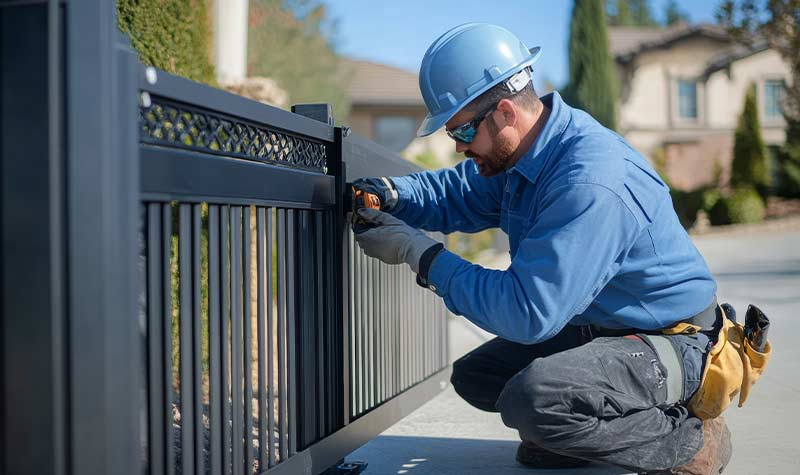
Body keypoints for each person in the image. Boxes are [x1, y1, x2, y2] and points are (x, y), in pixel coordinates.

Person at [351, 23, 737, 474]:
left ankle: (690, 441)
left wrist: (419, 254)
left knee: (535, 398)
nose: (457, 147)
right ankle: (581, 436)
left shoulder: (589, 180)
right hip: (607, 330)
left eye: (463, 131)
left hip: (673, 343)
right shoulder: (527, 156)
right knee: (479, 376)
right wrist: (392, 193)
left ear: (505, 113)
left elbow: (528, 313)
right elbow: (458, 193)